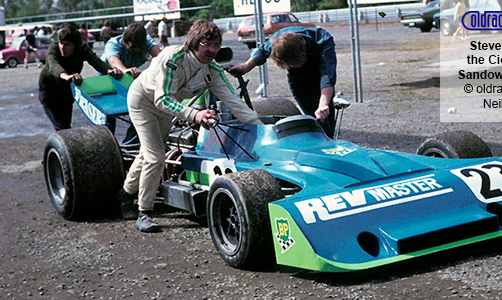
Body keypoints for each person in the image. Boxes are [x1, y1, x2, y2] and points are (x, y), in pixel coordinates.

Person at [117, 19, 262, 232]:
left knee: (148, 154)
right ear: (194, 42)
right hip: (144, 101)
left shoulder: (212, 69)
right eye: (207, 44)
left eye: (216, 45)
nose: (212, 50)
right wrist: (195, 115)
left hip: (167, 106)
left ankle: (124, 194)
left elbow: (235, 102)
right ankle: (144, 212)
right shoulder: (172, 57)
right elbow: (162, 99)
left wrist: (262, 128)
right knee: (156, 155)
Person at [229, 26, 337, 137]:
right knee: (313, 117)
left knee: (325, 117)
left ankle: (329, 140)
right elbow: (261, 52)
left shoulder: (323, 40)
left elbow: (327, 77)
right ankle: (318, 139)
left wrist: (323, 105)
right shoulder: (276, 40)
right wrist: (245, 67)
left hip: (319, 72)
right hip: (297, 77)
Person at [38, 25, 122, 131]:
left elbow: (96, 62)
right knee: (62, 127)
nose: (62, 47)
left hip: (67, 90)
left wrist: (109, 71)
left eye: (67, 45)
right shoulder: (53, 48)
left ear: (75, 45)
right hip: (50, 90)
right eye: (60, 43)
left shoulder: (82, 48)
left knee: (66, 124)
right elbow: (53, 65)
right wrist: (66, 76)